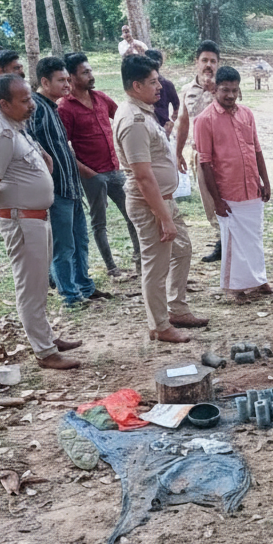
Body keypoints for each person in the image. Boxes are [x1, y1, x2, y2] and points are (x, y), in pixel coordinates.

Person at [0, 75, 82, 370]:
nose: (32, 105)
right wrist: (10, 209)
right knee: (30, 287)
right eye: (24, 101)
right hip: (22, 221)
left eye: (30, 98)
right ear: (4, 104)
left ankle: (46, 337)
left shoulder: (15, 126)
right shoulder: (1, 134)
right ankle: (45, 352)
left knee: (38, 285)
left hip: (35, 218)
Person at [113, 54, 208, 343]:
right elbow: (143, 176)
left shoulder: (144, 111)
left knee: (182, 250)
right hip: (150, 204)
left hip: (164, 199)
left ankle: (176, 308)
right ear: (136, 85)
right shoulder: (133, 120)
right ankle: (159, 325)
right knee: (156, 265)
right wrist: (163, 217)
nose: (159, 87)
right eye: (153, 82)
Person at [193, 66, 273, 304]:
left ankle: (258, 279)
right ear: (215, 89)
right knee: (233, 241)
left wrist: (265, 180)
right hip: (227, 191)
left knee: (254, 237)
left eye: (234, 90)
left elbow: (256, 149)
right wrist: (216, 200)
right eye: (225, 90)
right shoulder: (204, 120)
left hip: (252, 187)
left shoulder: (246, 113)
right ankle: (234, 287)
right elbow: (205, 163)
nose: (230, 95)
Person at [33, 56, 109, 308]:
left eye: (68, 79)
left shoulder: (54, 107)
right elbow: (34, 148)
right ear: (45, 82)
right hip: (56, 190)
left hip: (71, 187)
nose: (67, 85)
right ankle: (70, 295)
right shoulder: (37, 109)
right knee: (63, 246)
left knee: (80, 241)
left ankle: (84, 286)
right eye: (61, 80)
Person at [59, 52, 142, 277]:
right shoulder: (65, 108)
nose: (91, 75)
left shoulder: (101, 98)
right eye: (85, 73)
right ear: (72, 77)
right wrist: (86, 172)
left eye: (90, 71)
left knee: (133, 214)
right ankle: (112, 268)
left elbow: (123, 116)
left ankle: (140, 261)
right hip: (92, 174)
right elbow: (62, 146)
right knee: (99, 223)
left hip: (115, 169)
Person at [175, 40, 221, 262]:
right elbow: (183, 122)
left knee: (228, 199)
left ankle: (231, 241)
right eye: (204, 60)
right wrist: (178, 153)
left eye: (213, 61)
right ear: (197, 62)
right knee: (209, 200)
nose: (208, 65)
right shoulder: (187, 90)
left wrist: (214, 91)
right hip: (200, 154)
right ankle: (221, 240)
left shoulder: (225, 87)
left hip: (224, 154)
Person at [144, 48, 180, 135]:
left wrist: (170, 123)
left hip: (162, 129)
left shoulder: (167, 85)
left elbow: (176, 107)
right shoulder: (141, 85)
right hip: (146, 128)